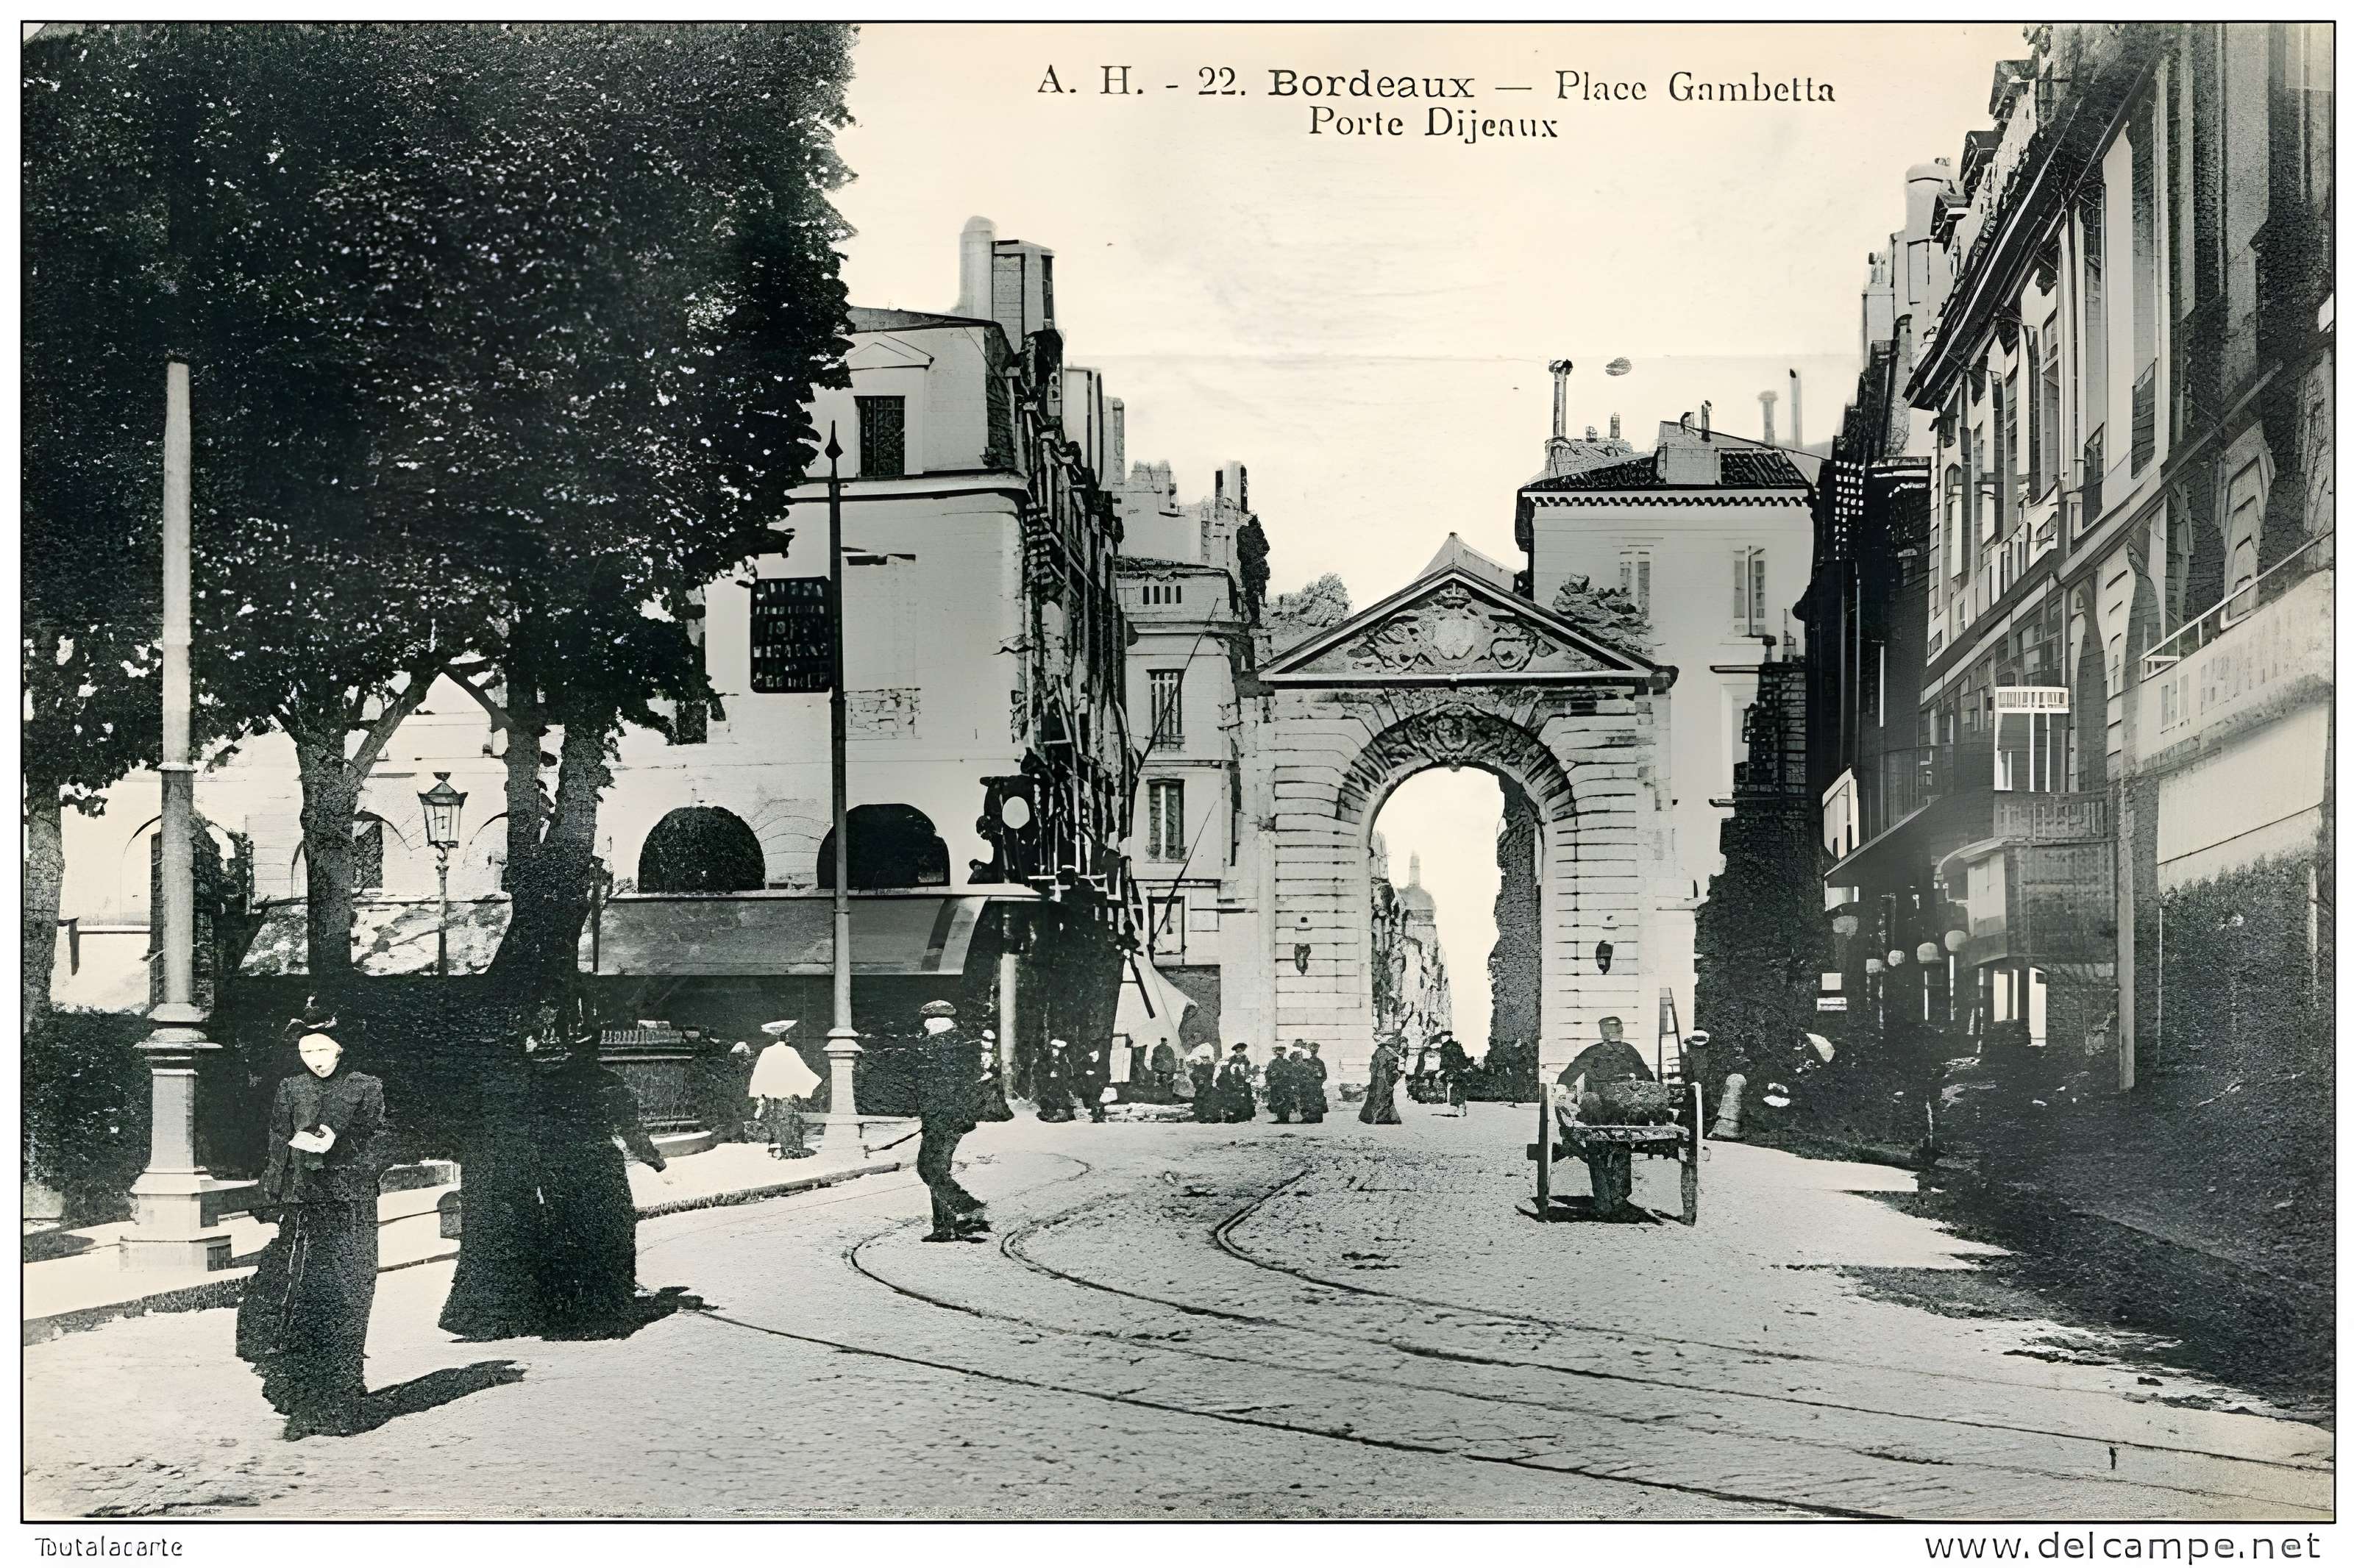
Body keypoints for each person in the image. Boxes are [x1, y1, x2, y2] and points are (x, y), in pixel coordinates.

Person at [236, 1001, 391, 1437]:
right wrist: (273, 1194)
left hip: (349, 1206)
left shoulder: (366, 1087)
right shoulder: (290, 1088)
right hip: (304, 1206)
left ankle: (340, 1401)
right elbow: (278, 1142)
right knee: (298, 1296)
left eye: (323, 1050)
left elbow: (384, 1138)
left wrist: (338, 1147)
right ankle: (299, 1397)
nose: (316, 1060)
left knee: (343, 1296)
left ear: (340, 1049)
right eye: (307, 1053)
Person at [1556, 1016, 1656, 1219]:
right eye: (1612, 1031)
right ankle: (1607, 1202)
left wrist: (1646, 1097)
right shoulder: (1596, 1052)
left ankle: (1617, 1201)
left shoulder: (1628, 1051)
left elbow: (1647, 1078)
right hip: (1598, 1111)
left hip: (1621, 1111)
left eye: (1617, 1030)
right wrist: (1561, 1093)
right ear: (1604, 1033)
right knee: (1602, 1147)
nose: (1614, 1035)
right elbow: (1568, 1075)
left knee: (1618, 1147)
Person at [914, 999, 989, 1241]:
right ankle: (944, 1228)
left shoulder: (949, 1047)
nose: (926, 1025)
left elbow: (956, 1088)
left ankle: (968, 1208)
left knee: (929, 1168)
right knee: (935, 1169)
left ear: (941, 1022)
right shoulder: (945, 1044)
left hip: (946, 1120)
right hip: (940, 1119)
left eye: (930, 1021)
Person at [1359, 1036, 1404, 1125]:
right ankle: (1377, 1118)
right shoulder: (1389, 1055)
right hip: (1383, 1079)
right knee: (1383, 1097)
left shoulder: (1379, 1051)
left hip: (1378, 1078)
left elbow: (1373, 1068)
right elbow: (1386, 1069)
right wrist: (1396, 1075)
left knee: (1375, 1096)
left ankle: (1369, 1117)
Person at [1036, 1036, 1077, 1123]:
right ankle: (1052, 1111)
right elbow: (1039, 1073)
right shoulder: (1045, 1061)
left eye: (1058, 1050)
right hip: (1049, 1087)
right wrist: (1048, 1075)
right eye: (1055, 1049)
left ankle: (1061, 1110)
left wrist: (1061, 1077)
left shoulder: (1065, 1064)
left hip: (1061, 1088)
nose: (1056, 1052)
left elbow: (1068, 1076)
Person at [1216, 1042, 1258, 1122]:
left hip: (1244, 1082)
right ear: (1236, 1052)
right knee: (1234, 1099)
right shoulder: (1232, 1059)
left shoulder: (1246, 1059)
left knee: (1246, 1098)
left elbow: (1248, 1069)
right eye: (1238, 1051)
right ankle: (1233, 1117)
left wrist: (1249, 1077)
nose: (1240, 1053)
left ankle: (1245, 1116)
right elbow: (1227, 1069)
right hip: (1234, 1082)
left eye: (1241, 1051)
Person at [1296, 1041, 1330, 1124]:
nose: (1313, 1053)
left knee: (1317, 1102)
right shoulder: (1304, 1062)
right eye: (1312, 1051)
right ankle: (1307, 1118)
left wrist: (1318, 1083)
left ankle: (1317, 1118)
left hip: (1316, 1087)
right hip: (1306, 1086)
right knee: (1306, 1102)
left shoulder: (1320, 1062)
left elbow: (1324, 1076)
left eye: (1315, 1051)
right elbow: (1300, 1074)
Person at [1437, 1034, 1471, 1116]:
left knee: (1456, 1087)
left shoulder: (1447, 1047)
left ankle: (1460, 1108)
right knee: (1458, 1087)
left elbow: (1447, 1062)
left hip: (1455, 1070)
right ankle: (1461, 1107)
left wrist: (1444, 1070)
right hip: (1458, 1070)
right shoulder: (1453, 1046)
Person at [1264, 1044, 1298, 1124]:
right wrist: (1269, 1081)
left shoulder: (1287, 1063)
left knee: (1285, 1101)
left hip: (1285, 1085)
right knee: (1275, 1101)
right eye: (1278, 1050)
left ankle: (1284, 1118)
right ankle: (1280, 1117)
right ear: (1276, 1052)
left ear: (1284, 1052)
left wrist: (1291, 1083)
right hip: (1275, 1085)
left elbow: (1292, 1074)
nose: (1280, 1052)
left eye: (1281, 1050)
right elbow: (1267, 1073)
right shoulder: (1272, 1063)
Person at [1187, 1044, 1220, 1122]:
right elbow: (1194, 1074)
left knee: (1208, 1100)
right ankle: (1200, 1116)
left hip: (1209, 1087)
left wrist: (1205, 1079)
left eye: (1206, 1059)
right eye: (1203, 1059)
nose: (1205, 1060)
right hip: (1200, 1087)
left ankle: (1209, 1116)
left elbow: (1212, 1076)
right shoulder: (1199, 1066)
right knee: (1199, 1101)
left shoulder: (1212, 1066)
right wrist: (1198, 1077)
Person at [1148, 1037, 1180, 1102]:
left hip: (1159, 1069)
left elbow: (1153, 1060)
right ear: (1165, 1041)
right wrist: (1173, 1069)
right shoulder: (1169, 1049)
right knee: (1169, 1084)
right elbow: (1172, 1059)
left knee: (1160, 1084)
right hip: (1168, 1070)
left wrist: (1154, 1069)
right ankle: (1168, 1099)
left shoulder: (1156, 1049)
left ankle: (1160, 1099)